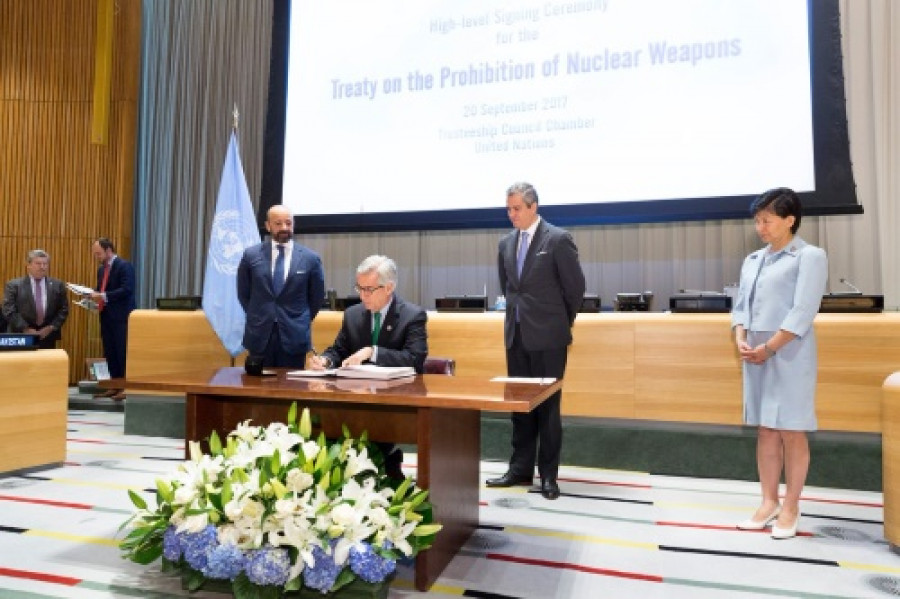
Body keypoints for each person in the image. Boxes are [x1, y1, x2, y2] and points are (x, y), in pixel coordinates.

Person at [732, 187, 827, 539]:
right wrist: (740, 336)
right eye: (757, 220)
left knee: (791, 428)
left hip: (788, 352)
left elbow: (803, 310)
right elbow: (741, 305)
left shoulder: (809, 256)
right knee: (765, 429)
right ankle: (768, 501)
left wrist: (769, 347)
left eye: (767, 220)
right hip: (755, 352)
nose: (761, 227)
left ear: (790, 220)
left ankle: (791, 506)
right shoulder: (753, 260)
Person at [487, 182, 586, 500]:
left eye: (516, 208)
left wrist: (558, 324)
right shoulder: (505, 244)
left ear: (533, 207)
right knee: (519, 408)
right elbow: (509, 289)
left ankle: (549, 476)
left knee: (547, 408)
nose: (511, 214)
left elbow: (575, 289)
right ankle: (519, 469)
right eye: (508, 209)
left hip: (548, 338)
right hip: (515, 336)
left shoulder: (557, 239)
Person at [308, 255, 428, 479]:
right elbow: (339, 350)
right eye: (359, 288)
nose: (362, 295)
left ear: (389, 287)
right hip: (354, 399)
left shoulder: (412, 316)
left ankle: (384, 468)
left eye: (369, 289)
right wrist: (325, 360)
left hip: (392, 403)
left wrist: (373, 352)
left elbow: (415, 359)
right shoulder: (353, 315)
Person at [237, 204, 325, 368]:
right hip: (259, 335)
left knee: (291, 389)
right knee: (257, 390)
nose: (284, 227)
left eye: (288, 223)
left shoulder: (310, 258)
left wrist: (299, 318)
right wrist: (260, 314)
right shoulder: (251, 256)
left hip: (294, 335)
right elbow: (243, 293)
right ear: (268, 226)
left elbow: (317, 298)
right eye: (278, 223)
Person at [90, 237, 136, 401]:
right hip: (107, 316)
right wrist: (92, 299)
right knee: (110, 352)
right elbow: (100, 290)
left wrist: (103, 295)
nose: (97, 257)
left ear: (109, 250)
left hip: (122, 317)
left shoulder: (124, 266)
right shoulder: (102, 270)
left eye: (99, 253)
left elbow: (127, 289)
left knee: (122, 352)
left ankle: (126, 386)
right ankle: (114, 385)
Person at [2, 249, 69, 349]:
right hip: (20, 336)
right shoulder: (14, 285)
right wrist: (26, 329)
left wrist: (51, 327)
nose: (42, 267)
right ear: (28, 265)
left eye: (45, 264)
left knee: (45, 364)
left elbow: (63, 309)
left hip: (47, 336)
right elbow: (8, 310)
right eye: (38, 263)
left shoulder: (57, 285)